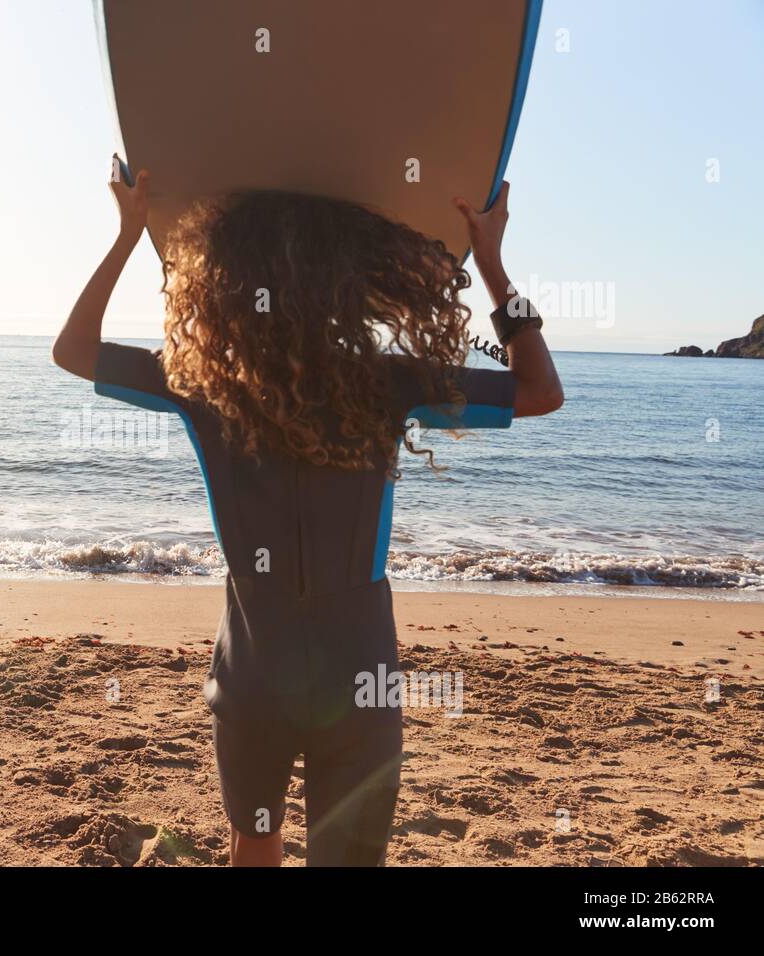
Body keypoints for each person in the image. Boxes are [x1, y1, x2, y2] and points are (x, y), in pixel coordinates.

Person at [52, 159, 563, 866]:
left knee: (254, 842)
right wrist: (493, 266)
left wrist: (130, 234)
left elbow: (71, 350)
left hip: (254, 671)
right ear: (346, 288)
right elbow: (541, 390)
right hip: (359, 672)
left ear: (224, 286)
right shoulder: (388, 383)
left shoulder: (203, 385)